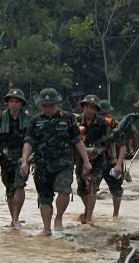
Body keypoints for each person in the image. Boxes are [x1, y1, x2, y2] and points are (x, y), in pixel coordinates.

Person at [19, 88, 90, 237]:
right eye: (44, 105)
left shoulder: (68, 118)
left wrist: (86, 161)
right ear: (40, 105)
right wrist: (24, 160)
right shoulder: (34, 121)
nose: (47, 107)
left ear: (57, 104)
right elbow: (28, 142)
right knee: (44, 197)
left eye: (50, 104)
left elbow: (77, 140)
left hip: (64, 162)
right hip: (42, 164)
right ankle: (46, 228)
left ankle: (58, 218)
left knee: (64, 189)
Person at [77, 95, 124, 223]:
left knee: (93, 186)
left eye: (93, 108)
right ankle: (88, 211)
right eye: (87, 107)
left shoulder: (105, 124)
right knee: (81, 189)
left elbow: (116, 143)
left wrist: (118, 164)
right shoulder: (76, 121)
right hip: (81, 159)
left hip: (99, 160)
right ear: (83, 107)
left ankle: (90, 218)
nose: (89, 110)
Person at [0, 88, 30, 228]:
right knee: (9, 189)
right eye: (11, 101)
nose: (14, 104)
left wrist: (28, 158)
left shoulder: (27, 119)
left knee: (19, 185)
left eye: (17, 102)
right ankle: (13, 218)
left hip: (22, 156)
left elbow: (31, 139)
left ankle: (16, 218)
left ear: (21, 104)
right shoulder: (1, 119)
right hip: (6, 157)